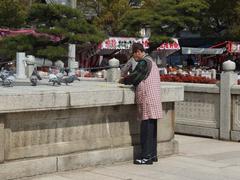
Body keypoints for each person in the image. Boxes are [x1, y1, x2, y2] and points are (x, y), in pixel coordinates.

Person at [119, 43, 162, 165]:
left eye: (134, 55)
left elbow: (135, 76)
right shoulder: (151, 61)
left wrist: (124, 80)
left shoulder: (143, 62)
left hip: (147, 98)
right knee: (152, 128)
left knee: (146, 129)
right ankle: (153, 155)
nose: (134, 58)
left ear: (138, 52)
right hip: (154, 98)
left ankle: (145, 157)